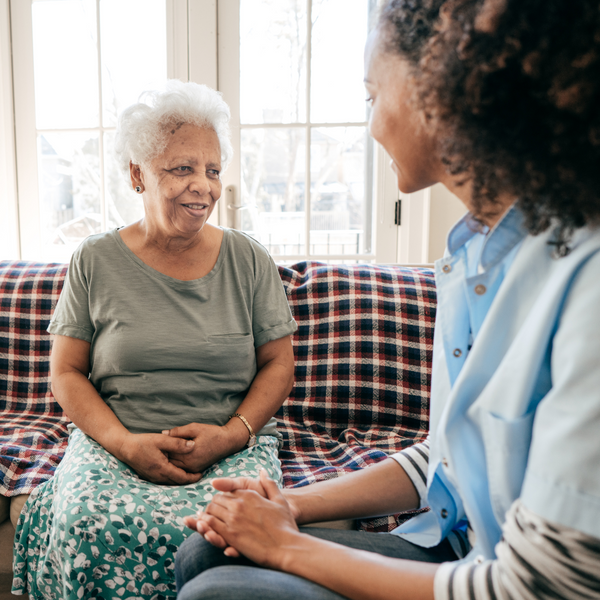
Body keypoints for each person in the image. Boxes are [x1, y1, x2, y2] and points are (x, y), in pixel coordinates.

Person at [174, 0, 600, 598]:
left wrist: (287, 545)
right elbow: (444, 459)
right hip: (456, 542)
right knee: (205, 550)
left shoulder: (586, 287)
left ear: (440, 87)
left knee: (213, 592)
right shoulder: (478, 255)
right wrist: (289, 507)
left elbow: (538, 588)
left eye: (373, 95)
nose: (371, 124)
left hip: (504, 581)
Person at [12, 80, 297, 600]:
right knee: (83, 525)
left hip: (228, 446)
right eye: (182, 168)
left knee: (229, 533)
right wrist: (124, 444)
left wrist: (232, 435)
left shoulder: (249, 259)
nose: (204, 187)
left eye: (212, 170)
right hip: (116, 442)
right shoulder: (95, 261)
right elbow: (67, 371)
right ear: (138, 175)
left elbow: (279, 362)